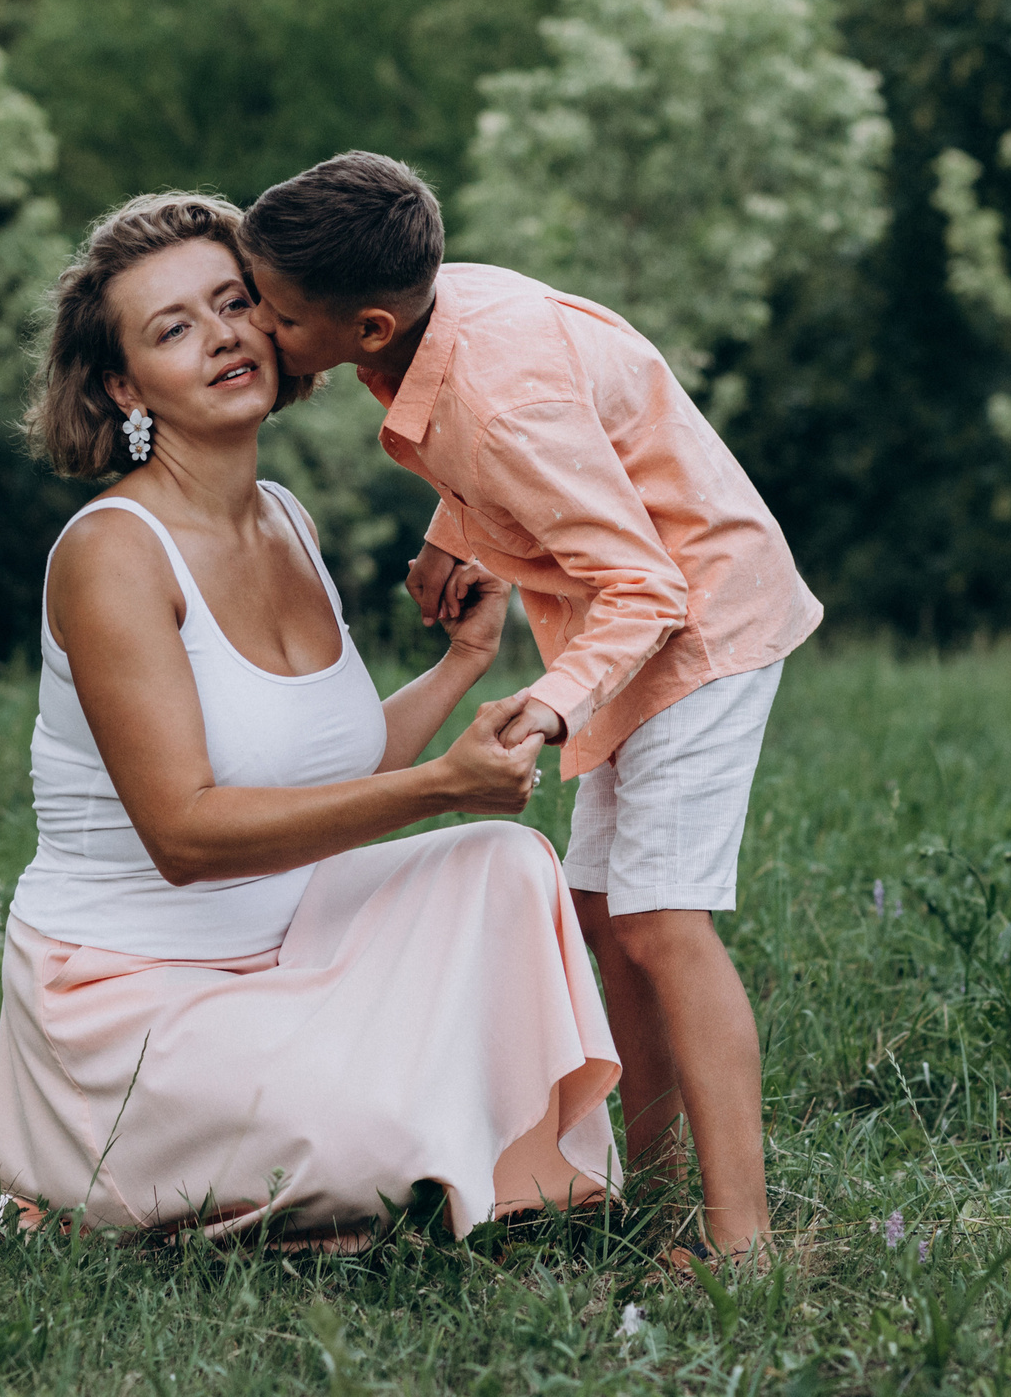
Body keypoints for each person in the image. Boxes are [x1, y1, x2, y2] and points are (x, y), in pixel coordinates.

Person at [0, 190, 621, 1244]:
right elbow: (184, 838)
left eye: (232, 302)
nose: (223, 335)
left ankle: (410, 1144)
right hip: (129, 998)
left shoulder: (283, 516)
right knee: (374, 1140)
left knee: (505, 862)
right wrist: (438, 788)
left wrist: (461, 663)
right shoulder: (111, 556)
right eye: (172, 328)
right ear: (123, 384)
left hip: (287, 943)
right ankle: (105, 1166)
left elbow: (332, 762)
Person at [241, 153, 821, 1260]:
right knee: (606, 917)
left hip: (703, 624)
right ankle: (651, 1197)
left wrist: (550, 707)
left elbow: (644, 580)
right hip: (633, 621)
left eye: (276, 315)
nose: (261, 333)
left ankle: (742, 1248)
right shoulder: (439, 318)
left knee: (660, 922)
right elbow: (543, 476)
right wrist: (450, 540)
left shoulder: (497, 398)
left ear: (366, 326)